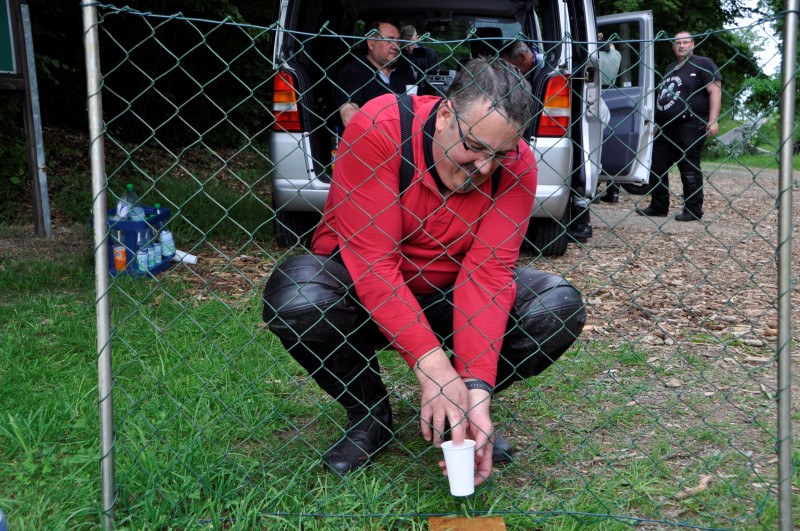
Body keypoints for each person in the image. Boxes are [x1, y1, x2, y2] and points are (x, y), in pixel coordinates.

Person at [263, 58, 586, 483]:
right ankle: (369, 413)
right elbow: (375, 265)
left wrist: (475, 390)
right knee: (299, 297)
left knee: (556, 306)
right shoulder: (380, 128)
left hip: (445, 300)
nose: (484, 167)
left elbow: (487, 275)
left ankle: (458, 411)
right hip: (359, 295)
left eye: (500, 154)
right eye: (475, 146)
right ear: (445, 115)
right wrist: (433, 369)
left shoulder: (518, 164)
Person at [636, 31, 721, 221]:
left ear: (693, 44)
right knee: (656, 164)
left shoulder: (703, 63)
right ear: (673, 47)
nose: (682, 46)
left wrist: (713, 120)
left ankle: (693, 209)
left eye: (686, 42)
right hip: (667, 127)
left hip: (691, 123)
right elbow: (663, 97)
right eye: (678, 43)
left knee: (688, 165)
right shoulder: (670, 68)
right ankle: (659, 206)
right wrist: (658, 121)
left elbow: (715, 91)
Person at [333, 20, 416, 127]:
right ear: (371, 43)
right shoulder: (352, 73)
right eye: (389, 40)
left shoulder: (404, 71)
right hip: (374, 135)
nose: (395, 46)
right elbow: (349, 118)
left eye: (398, 41)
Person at [593, 33, 623, 204]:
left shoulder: (592, 56)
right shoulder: (616, 56)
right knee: (609, 146)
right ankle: (613, 190)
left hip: (594, 95)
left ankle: (593, 186)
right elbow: (612, 48)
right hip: (612, 95)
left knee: (593, 146)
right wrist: (606, 43)